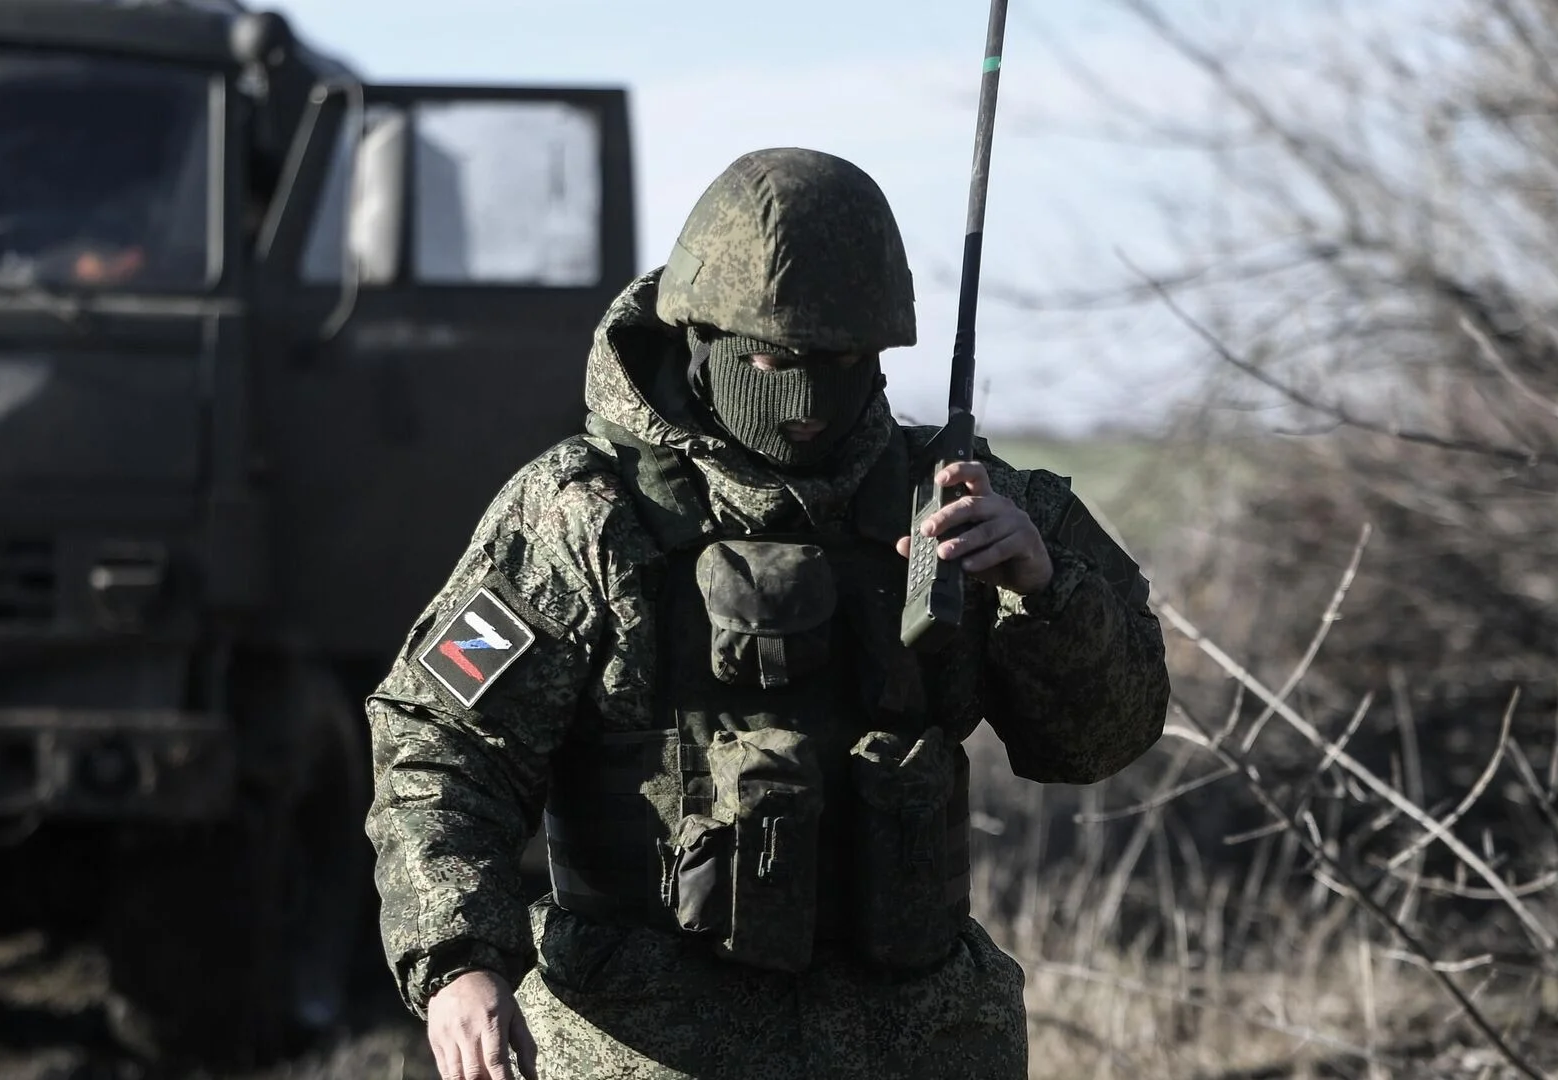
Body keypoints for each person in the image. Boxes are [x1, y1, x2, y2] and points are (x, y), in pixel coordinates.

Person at [364, 147, 1171, 1080]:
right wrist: (458, 961)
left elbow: (1103, 740)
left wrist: (1046, 591)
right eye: (775, 362)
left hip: (920, 1041)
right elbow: (440, 742)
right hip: (643, 1042)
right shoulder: (583, 514)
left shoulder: (968, 503)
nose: (806, 401)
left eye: (840, 363)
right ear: (701, 338)